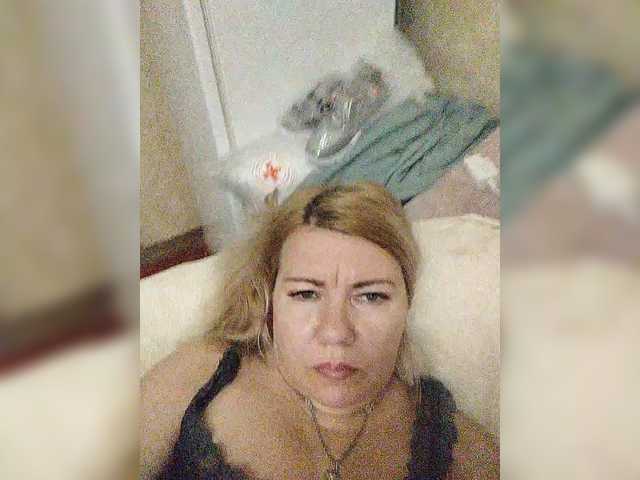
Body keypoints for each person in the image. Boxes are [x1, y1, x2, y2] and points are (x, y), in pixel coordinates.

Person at [141, 182, 499, 480]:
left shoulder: (452, 445)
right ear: (269, 302)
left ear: (407, 306)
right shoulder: (200, 376)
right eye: (306, 294)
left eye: (371, 296)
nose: (336, 332)